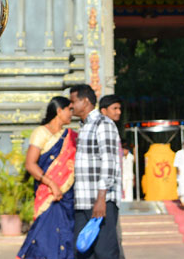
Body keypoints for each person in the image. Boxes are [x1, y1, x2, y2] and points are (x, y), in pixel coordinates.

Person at [18, 96, 77, 259]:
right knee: (45, 240)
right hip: (48, 195)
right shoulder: (41, 133)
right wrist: (52, 185)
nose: (72, 113)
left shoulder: (71, 136)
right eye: (69, 109)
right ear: (59, 111)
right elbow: (30, 164)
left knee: (65, 238)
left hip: (67, 196)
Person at [70, 84, 122, 259]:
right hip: (82, 201)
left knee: (105, 252)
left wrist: (101, 199)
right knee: (83, 251)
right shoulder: (83, 126)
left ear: (85, 102)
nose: (71, 106)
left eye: (73, 102)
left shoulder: (103, 124)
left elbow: (109, 162)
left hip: (101, 202)